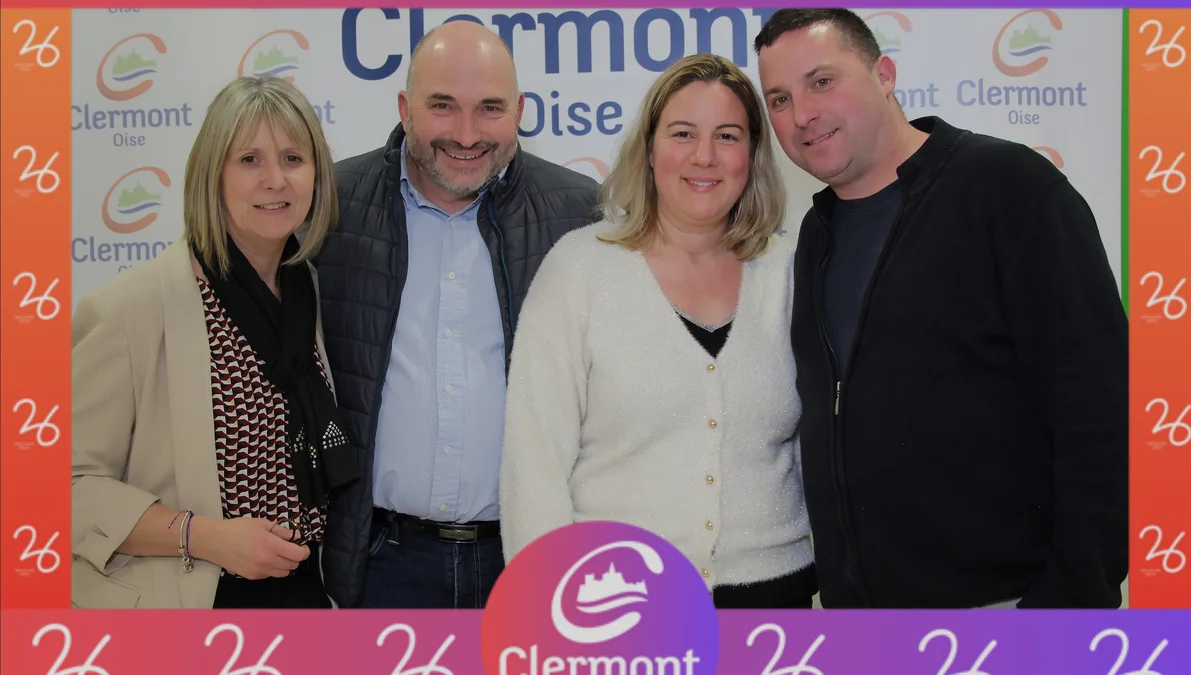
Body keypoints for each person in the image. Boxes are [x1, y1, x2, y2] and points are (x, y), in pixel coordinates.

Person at [754, 9, 1129, 608]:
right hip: (862, 624)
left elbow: (1101, 409)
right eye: (780, 99)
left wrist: (1065, 608)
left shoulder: (1007, 188)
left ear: (884, 75)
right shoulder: (816, 236)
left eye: (822, 81)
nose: (801, 115)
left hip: (1007, 613)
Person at [498, 53, 818, 609]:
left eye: (727, 135)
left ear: (752, 154)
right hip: (619, 603)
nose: (704, 155)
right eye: (683, 133)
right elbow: (534, 466)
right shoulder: (579, 270)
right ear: (649, 149)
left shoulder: (792, 273)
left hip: (775, 600)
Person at [314, 20, 602, 609]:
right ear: (405, 109)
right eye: (442, 106)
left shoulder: (581, 213)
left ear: (519, 112)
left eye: (489, 108)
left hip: (528, 560)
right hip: (379, 562)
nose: (466, 134)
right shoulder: (329, 206)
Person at [71, 75, 355, 609]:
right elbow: (65, 487)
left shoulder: (314, 295)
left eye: (293, 159)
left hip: (306, 597)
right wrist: (202, 536)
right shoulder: (129, 309)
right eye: (249, 160)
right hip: (186, 605)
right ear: (212, 175)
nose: (275, 180)